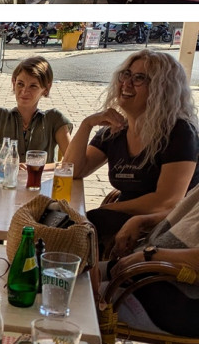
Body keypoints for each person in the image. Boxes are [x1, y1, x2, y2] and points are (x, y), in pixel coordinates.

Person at [62, 52, 199, 254]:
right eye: (126, 74)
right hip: (125, 216)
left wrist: (106, 210)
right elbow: (73, 170)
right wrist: (87, 124)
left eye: (139, 78)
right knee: (60, 224)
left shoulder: (178, 132)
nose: (126, 83)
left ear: (162, 89)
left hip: (166, 227)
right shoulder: (116, 129)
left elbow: (167, 200)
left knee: (79, 228)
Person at [99, 182, 199, 338]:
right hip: (153, 274)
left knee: (76, 295)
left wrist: (150, 255)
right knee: (73, 274)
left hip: (182, 300)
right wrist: (141, 220)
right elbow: (184, 211)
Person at [0, 56, 72, 167]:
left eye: (33, 86)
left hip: (38, 183)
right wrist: (1, 166)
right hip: (1, 181)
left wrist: (35, 167)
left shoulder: (54, 119)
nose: (24, 91)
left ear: (46, 89)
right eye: (20, 84)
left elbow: (72, 160)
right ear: (14, 83)